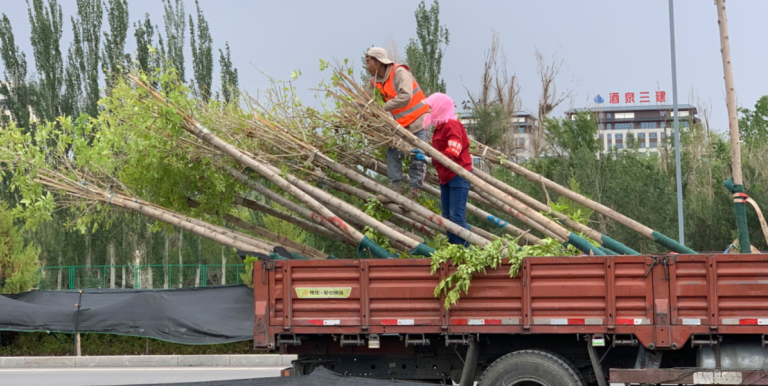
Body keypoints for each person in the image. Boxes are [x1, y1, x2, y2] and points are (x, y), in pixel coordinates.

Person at [365, 47, 430, 200]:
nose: (367, 66)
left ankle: (414, 190)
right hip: (400, 125)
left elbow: (406, 96)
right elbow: (366, 100)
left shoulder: (399, 73)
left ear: (379, 62)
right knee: (392, 152)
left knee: (417, 156)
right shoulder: (374, 81)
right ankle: (396, 187)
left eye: (368, 62)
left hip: (419, 120)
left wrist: (382, 108)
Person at [413, 93, 472, 247]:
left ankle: (465, 252)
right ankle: (454, 249)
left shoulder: (452, 125)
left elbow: (453, 152)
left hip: (458, 175)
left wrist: (430, 158)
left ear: (441, 108)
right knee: (447, 217)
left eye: (433, 107)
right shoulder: (439, 127)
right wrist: (427, 157)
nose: (431, 110)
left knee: (456, 216)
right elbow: (441, 154)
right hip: (445, 176)